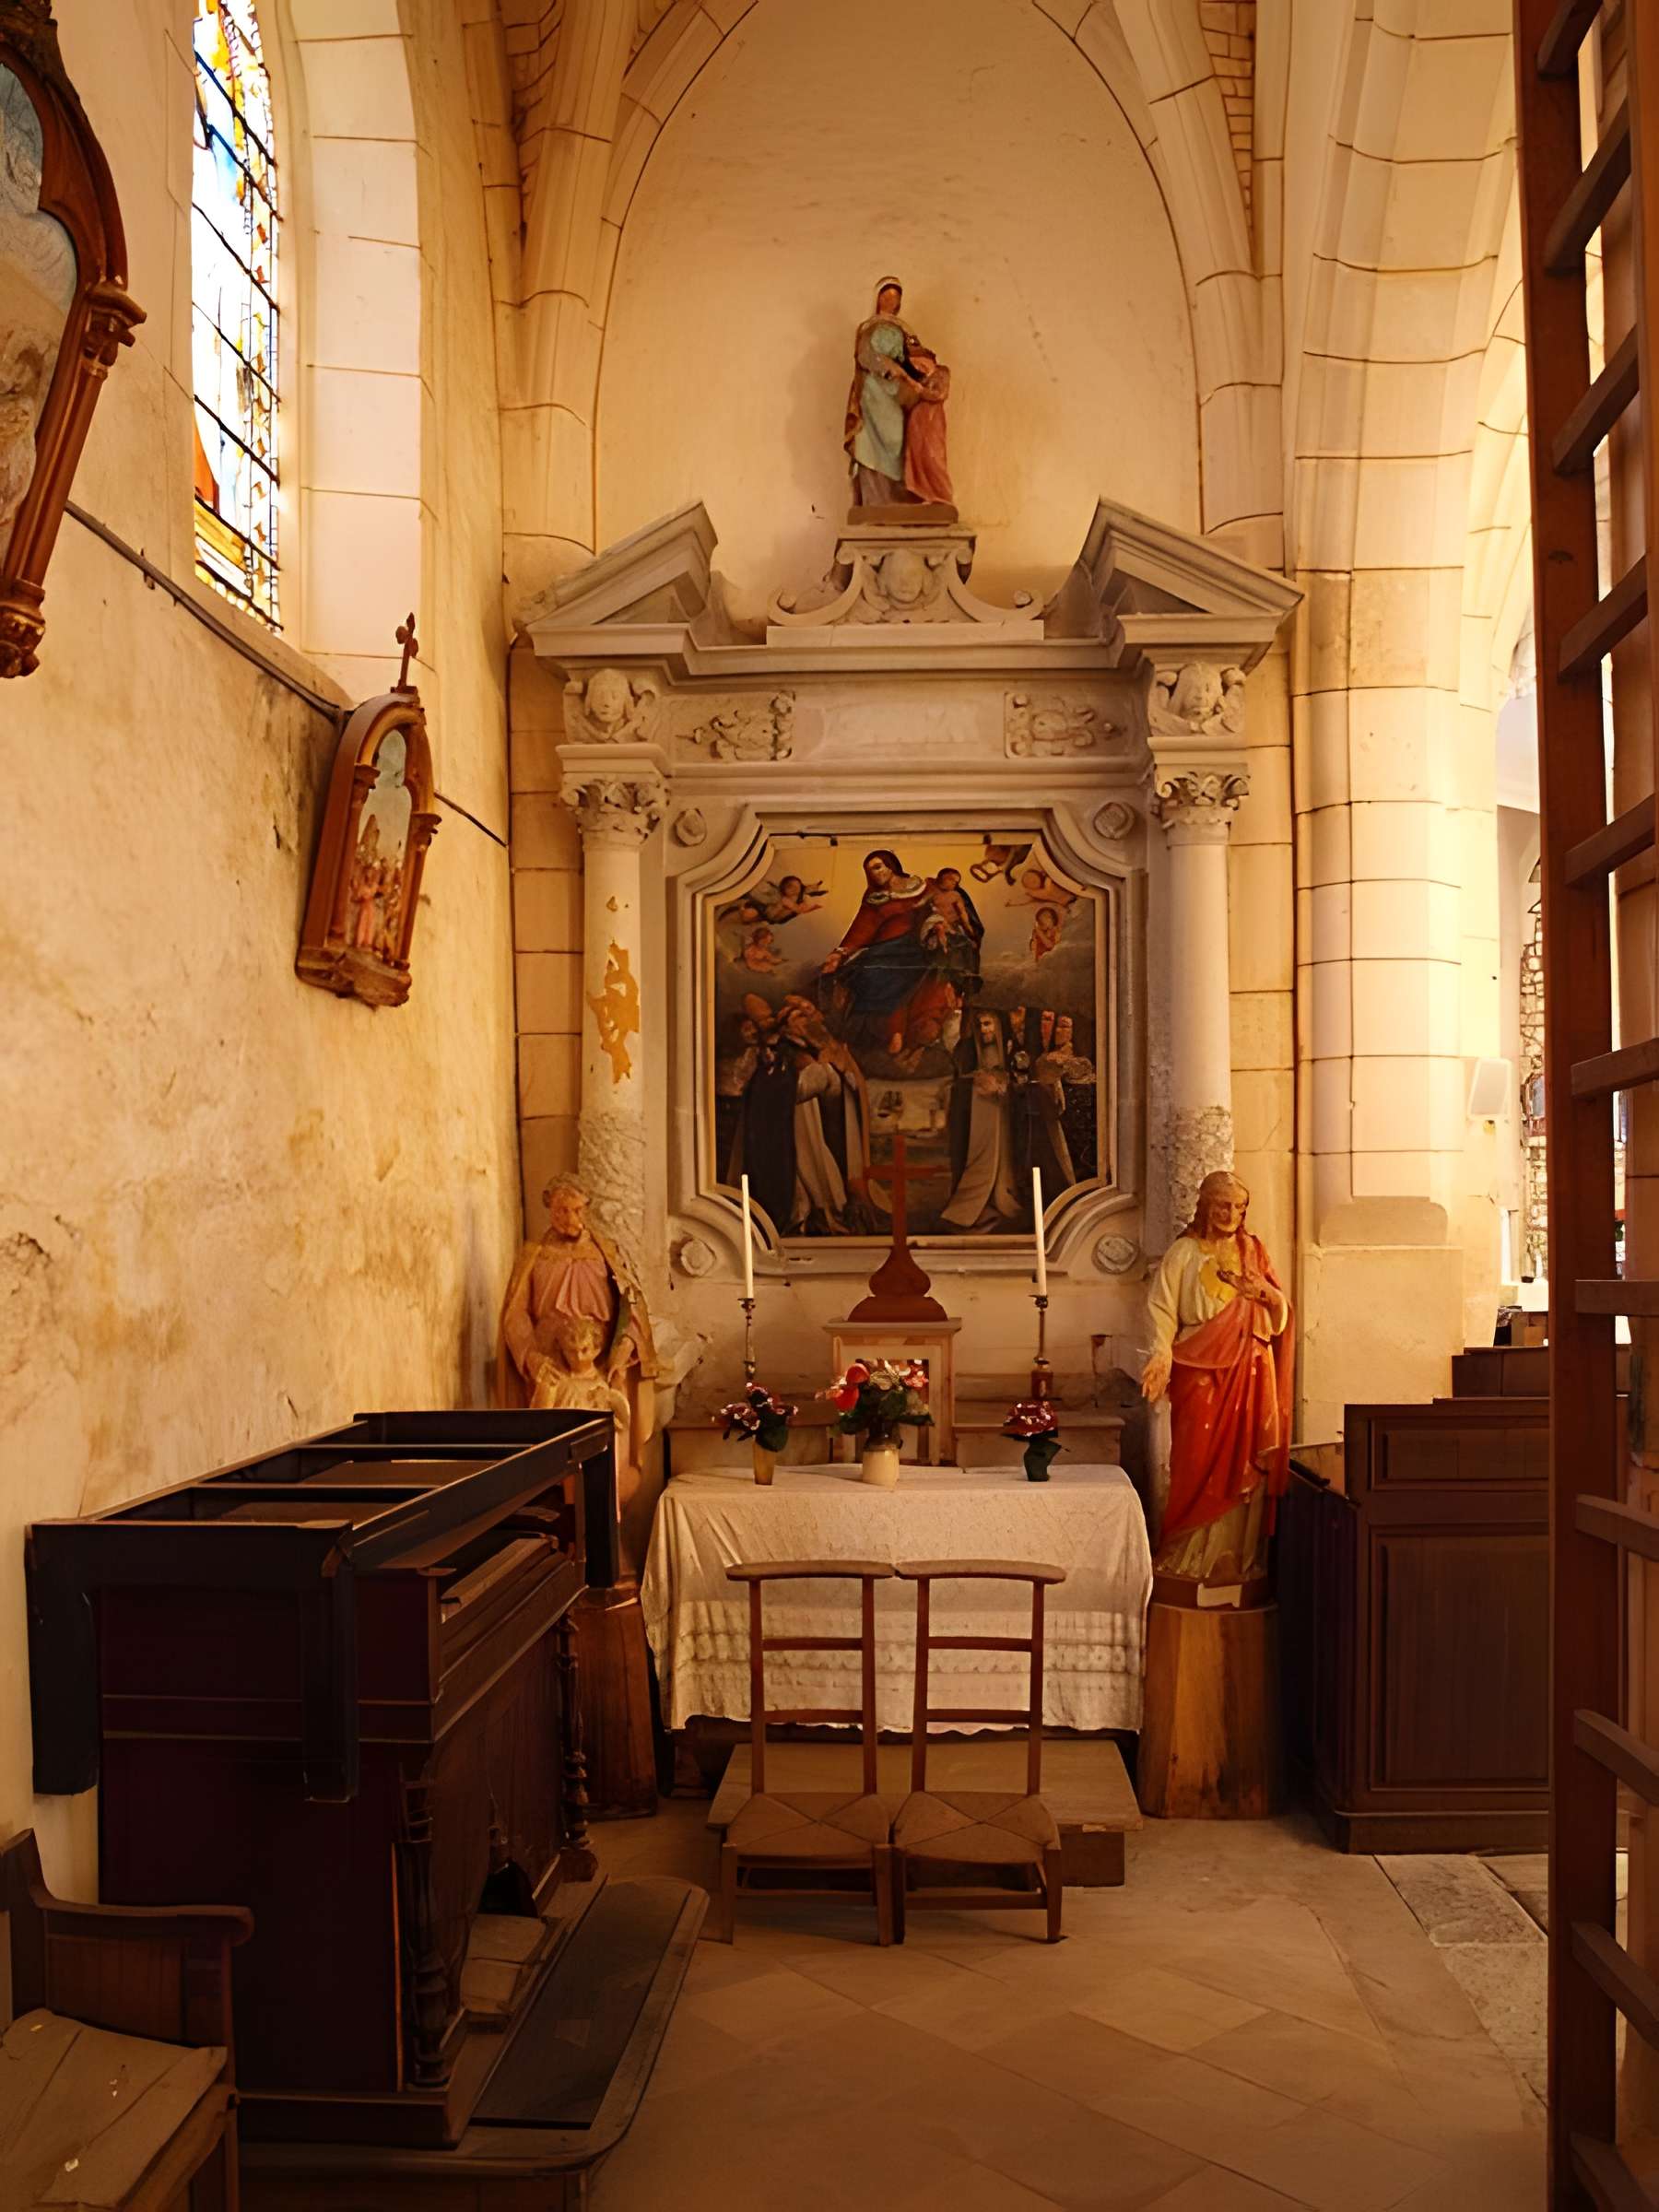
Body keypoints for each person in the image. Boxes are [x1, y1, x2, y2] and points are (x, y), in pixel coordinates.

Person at [1138, 1171, 1293, 1591]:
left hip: (1249, 1366)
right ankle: (1187, 1556)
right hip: (1199, 1370)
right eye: (1222, 1205)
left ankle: (1237, 1559)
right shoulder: (1183, 1253)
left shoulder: (1254, 1252)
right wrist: (1160, 1353)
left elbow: (1280, 1311)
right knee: (1196, 1460)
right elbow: (1162, 1309)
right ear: (1205, 1205)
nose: (1230, 1214)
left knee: (1246, 1461)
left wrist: (1262, 1294)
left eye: (1238, 1206)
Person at [495, 1179, 658, 1484]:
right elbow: (515, 1314)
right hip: (551, 1365)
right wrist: (530, 1357)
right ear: (550, 1211)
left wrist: (624, 1347)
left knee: (609, 1457)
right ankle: (557, 1522)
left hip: (602, 1363)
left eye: (575, 1210)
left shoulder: (606, 1253)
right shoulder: (534, 1254)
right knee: (550, 1452)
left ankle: (606, 1517)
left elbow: (631, 1307)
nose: (569, 1218)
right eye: (560, 1211)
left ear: (587, 1211)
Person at [818, 848, 958, 1063]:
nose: (875, 873)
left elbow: (936, 910)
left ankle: (897, 1033)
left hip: (915, 946)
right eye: (870, 870)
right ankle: (879, 1034)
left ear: (890, 865)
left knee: (899, 973)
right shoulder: (875, 899)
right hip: (883, 949)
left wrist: (937, 926)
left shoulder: (921, 887)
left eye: (877, 866)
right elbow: (861, 929)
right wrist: (839, 954)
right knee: (865, 975)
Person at [843, 278, 954, 510]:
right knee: (874, 440)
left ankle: (903, 494)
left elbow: (914, 358)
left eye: (895, 298)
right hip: (874, 388)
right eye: (886, 296)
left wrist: (923, 370)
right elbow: (865, 354)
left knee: (900, 439)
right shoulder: (868, 327)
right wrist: (888, 368)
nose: (890, 301)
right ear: (877, 299)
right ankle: (876, 500)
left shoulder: (904, 329)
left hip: (898, 390)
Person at [941, 1008, 1022, 1230]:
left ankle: (999, 1200)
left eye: (988, 1024)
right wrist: (978, 1083)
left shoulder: (1009, 1052)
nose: (984, 1030)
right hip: (980, 1114)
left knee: (1002, 1158)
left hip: (1000, 1114)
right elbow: (962, 1079)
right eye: (981, 1025)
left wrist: (1003, 1087)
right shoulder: (969, 1052)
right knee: (980, 1158)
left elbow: (1017, 1082)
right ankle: (971, 1206)